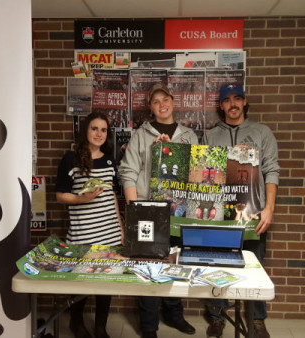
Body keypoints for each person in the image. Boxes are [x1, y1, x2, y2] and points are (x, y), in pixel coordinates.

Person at [119, 83, 197, 338]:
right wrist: (134, 211)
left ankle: (174, 316)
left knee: (175, 262)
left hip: (178, 210)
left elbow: (194, 175)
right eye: (155, 101)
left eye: (165, 99)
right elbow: (128, 172)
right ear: (151, 108)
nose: (162, 104)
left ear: (173, 101)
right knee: (148, 265)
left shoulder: (188, 136)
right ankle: (149, 324)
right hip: (147, 210)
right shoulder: (140, 135)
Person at [201, 83, 280, 338]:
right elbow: (203, 173)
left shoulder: (261, 132)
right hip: (219, 214)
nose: (232, 104)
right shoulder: (211, 136)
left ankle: (257, 320)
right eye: (227, 100)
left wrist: (269, 209)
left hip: (253, 213)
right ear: (221, 105)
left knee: (254, 265)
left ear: (245, 102)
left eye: (237, 98)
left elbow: (272, 171)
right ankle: (217, 316)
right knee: (217, 263)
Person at [55, 112, 124, 338]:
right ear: (86, 131)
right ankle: (76, 323)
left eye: (103, 130)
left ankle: (101, 327)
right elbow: (60, 196)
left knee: (107, 282)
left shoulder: (109, 160)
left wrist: (121, 229)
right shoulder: (71, 159)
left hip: (109, 233)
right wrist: (82, 199)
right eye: (94, 128)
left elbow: (112, 196)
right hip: (83, 233)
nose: (99, 134)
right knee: (82, 283)